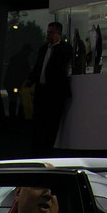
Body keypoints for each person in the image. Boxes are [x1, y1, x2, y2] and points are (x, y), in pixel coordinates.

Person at [25, 22, 72, 155]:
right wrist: (30, 80)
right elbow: (38, 67)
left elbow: (59, 69)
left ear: (58, 34)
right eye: (48, 32)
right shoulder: (43, 49)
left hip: (54, 93)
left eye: (51, 33)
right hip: (42, 91)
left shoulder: (64, 49)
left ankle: (47, 150)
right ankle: (37, 150)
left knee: (51, 124)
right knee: (38, 122)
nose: (48, 35)